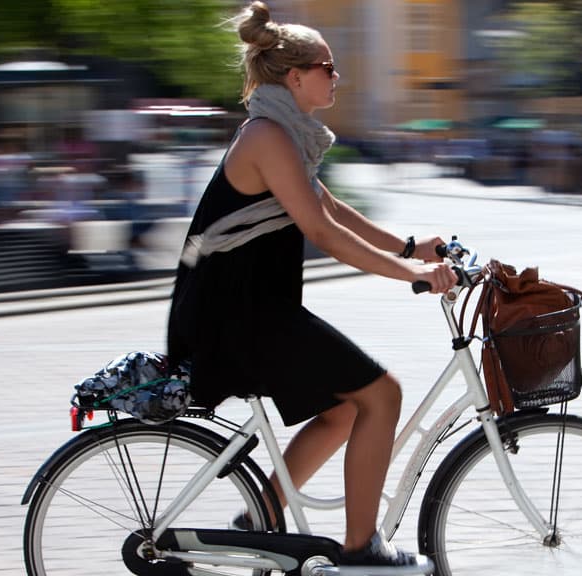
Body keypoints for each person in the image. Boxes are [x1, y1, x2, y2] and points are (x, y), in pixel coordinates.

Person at [165, 1, 455, 570]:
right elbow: (321, 230)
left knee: (346, 409)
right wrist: (413, 276)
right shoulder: (268, 137)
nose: (336, 75)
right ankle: (361, 548)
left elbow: (333, 208)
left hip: (253, 309)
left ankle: (259, 516)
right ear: (295, 77)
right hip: (237, 317)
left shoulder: (282, 134)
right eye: (328, 66)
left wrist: (409, 247)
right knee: (382, 394)